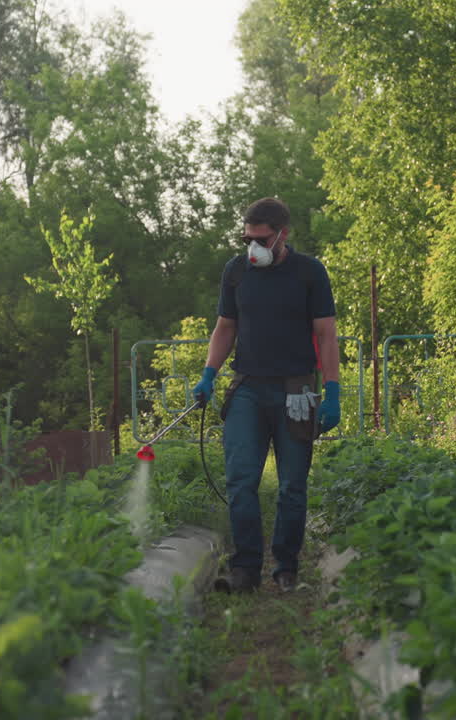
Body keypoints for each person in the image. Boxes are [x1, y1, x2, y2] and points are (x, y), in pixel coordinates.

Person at [192, 197, 340, 593]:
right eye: (248, 238)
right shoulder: (237, 272)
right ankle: (245, 569)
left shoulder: (309, 273)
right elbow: (226, 327)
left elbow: (326, 334)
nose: (254, 246)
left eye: (262, 238)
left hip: (297, 390)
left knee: (293, 484)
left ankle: (286, 568)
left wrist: (332, 390)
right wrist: (209, 374)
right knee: (241, 481)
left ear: (283, 234)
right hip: (248, 390)